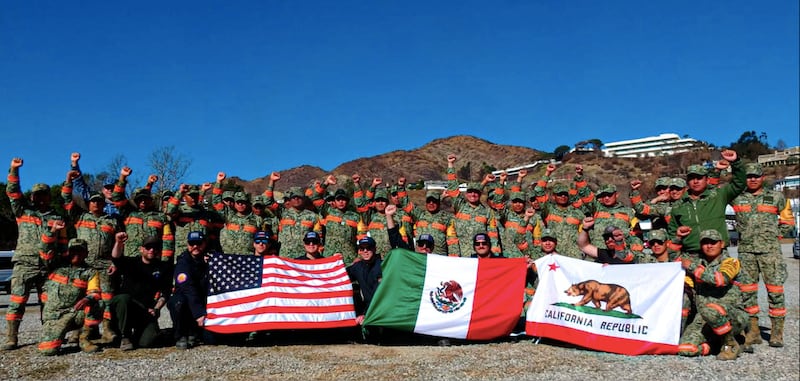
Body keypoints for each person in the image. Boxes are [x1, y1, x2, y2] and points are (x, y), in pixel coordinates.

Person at [3, 158, 72, 350]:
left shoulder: (57, 217)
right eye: (36, 195)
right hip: (25, 263)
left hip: (49, 265)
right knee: (17, 301)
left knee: (49, 304)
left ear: (49, 197)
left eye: (44, 195)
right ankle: (11, 337)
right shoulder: (22, 211)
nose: (40, 198)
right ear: (31, 196)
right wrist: (14, 170)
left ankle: (48, 334)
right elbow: (12, 193)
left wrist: (63, 261)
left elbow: (63, 243)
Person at [730, 162, 795, 348]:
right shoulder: (737, 198)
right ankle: (753, 332)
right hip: (747, 252)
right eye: (749, 176)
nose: (752, 179)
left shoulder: (776, 197)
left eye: (756, 176)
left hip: (770, 252)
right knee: (747, 293)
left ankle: (776, 333)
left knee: (775, 292)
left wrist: (776, 235)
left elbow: (788, 220)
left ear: (762, 178)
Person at [678, 230, 749, 360]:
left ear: (721, 244)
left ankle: (730, 344)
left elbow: (720, 280)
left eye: (713, 242)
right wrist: (678, 238)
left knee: (712, 310)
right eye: (705, 243)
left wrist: (693, 267)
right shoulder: (699, 262)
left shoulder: (731, 262)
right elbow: (674, 257)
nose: (709, 246)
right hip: (704, 318)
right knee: (685, 349)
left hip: (731, 316)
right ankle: (715, 345)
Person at [65, 189, 121, 345]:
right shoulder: (80, 217)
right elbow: (66, 199)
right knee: (81, 298)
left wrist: (116, 263)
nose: (96, 203)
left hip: (105, 265)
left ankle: (108, 329)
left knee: (107, 298)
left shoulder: (112, 221)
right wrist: (70, 178)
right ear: (89, 204)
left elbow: (119, 244)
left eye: (99, 201)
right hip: (84, 265)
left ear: (104, 204)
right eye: (93, 201)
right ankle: (79, 331)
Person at [668, 149, 746, 253]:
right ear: (687, 182)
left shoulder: (718, 195)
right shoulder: (678, 206)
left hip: (718, 254)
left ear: (707, 180)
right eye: (692, 178)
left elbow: (739, 184)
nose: (695, 181)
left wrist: (735, 162)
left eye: (699, 178)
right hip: (692, 255)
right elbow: (673, 234)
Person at [37, 238, 102, 355]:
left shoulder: (90, 272)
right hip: (53, 316)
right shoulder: (55, 265)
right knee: (48, 351)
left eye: (80, 251)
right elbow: (45, 251)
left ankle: (84, 339)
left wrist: (87, 298)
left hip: (74, 314)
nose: (77, 254)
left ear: (86, 254)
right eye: (74, 250)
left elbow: (95, 292)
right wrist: (51, 232)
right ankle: (57, 337)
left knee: (98, 304)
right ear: (68, 252)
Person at [110, 234, 172, 350]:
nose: (152, 250)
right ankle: (125, 336)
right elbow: (116, 258)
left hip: (146, 310)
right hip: (127, 308)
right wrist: (118, 242)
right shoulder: (131, 263)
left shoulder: (164, 268)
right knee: (123, 299)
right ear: (141, 249)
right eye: (148, 247)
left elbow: (165, 293)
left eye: (156, 247)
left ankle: (140, 334)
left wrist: (156, 309)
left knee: (147, 343)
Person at [111, 166, 175, 264]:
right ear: (136, 201)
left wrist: (164, 261)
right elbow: (116, 197)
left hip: (154, 261)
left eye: (146, 200)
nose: (143, 202)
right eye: (140, 200)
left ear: (151, 201)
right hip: (131, 259)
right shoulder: (128, 213)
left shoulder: (161, 217)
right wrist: (123, 177)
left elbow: (167, 239)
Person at [445, 154, 501, 256]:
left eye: (476, 192)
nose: (473, 194)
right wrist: (450, 165)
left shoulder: (487, 212)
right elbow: (453, 187)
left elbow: (492, 234)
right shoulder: (460, 206)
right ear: (466, 194)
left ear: (480, 194)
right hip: (462, 257)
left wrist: (495, 256)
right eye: (470, 192)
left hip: (481, 258)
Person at [168, 231, 212, 350]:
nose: (195, 247)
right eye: (192, 244)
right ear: (187, 245)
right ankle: (180, 335)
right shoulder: (183, 262)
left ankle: (195, 332)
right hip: (187, 299)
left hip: (202, 299)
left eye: (199, 243)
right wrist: (199, 313)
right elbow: (188, 288)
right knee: (178, 302)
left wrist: (210, 264)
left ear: (204, 244)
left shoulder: (210, 258)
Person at [532, 164, 586, 259]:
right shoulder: (548, 210)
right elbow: (538, 190)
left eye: (565, 194)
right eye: (559, 194)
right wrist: (547, 173)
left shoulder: (578, 213)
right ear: (554, 197)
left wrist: (579, 176)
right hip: (555, 257)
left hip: (575, 256)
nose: (563, 196)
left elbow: (586, 235)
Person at [261, 172, 318, 257]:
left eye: (299, 197)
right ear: (290, 199)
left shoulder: (313, 216)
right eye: (294, 197)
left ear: (304, 199)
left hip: (305, 258)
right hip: (285, 258)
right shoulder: (282, 212)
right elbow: (267, 201)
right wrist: (272, 181)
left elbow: (318, 238)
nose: (296, 199)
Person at [311, 175, 362, 264]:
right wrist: (326, 183)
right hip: (329, 257)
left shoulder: (356, 217)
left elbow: (362, 237)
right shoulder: (328, 211)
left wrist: (359, 257)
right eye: (338, 199)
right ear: (334, 201)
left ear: (347, 201)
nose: (341, 202)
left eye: (343, 199)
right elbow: (315, 197)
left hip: (350, 259)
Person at [211, 172, 263, 255]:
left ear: (247, 203)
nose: (240, 205)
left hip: (248, 258)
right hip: (228, 258)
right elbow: (216, 201)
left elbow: (262, 240)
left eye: (243, 202)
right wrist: (218, 182)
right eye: (238, 202)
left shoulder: (257, 219)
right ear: (234, 204)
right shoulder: (229, 216)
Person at [166, 183, 224, 255]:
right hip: (183, 254)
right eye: (190, 196)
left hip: (202, 255)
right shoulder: (180, 212)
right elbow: (169, 211)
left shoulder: (205, 214)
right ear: (184, 197)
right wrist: (180, 193)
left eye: (195, 196)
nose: (193, 198)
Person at [70, 152, 122, 222]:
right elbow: (80, 185)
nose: (110, 190)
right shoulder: (96, 201)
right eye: (107, 188)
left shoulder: (123, 205)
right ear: (103, 190)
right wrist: (74, 164)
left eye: (112, 187)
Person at [347, 237, 382, 326]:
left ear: (374, 249)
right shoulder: (357, 267)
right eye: (362, 248)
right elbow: (341, 276)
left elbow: (379, 296)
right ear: (359, 251)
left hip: (382, 309)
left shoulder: (383, 266)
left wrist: (366, 315)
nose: (365, 251)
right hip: (367, 310)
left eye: (368, 248)